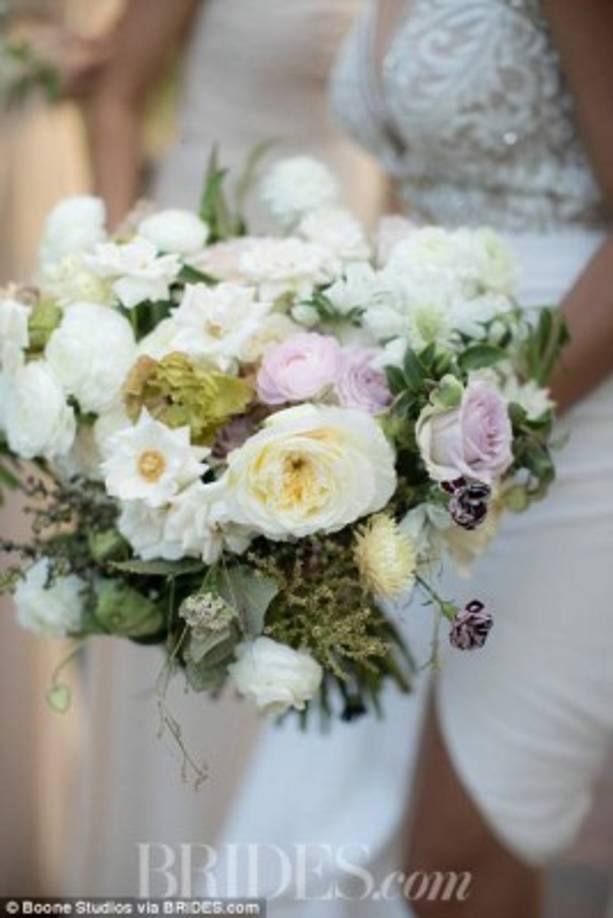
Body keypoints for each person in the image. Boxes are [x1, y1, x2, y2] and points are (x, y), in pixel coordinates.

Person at [68, 0, 388, 895]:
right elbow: (117, 93)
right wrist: (122, 285)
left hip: (336, 296)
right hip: (201, 290)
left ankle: (288, 883)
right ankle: (165, 875)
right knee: (195, 602)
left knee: (314, 624)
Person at [329, 0, 613, 916]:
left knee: (454, 849)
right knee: (453, 837)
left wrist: (489, 427)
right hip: (432, 406)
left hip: (571, 414)